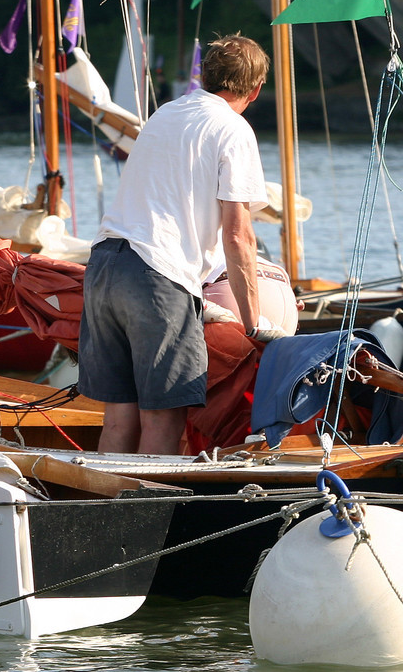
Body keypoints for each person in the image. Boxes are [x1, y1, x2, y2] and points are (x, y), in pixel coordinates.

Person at [78, 33, 279, 456]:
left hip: (105, 264)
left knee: (120, 415)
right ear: (256, 90)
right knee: (163, 416)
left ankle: (103, 512)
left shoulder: (165, 113)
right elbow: (238, 235)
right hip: (156, 276)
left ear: (204, 76)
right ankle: (148, 513)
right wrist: (253, 323)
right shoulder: (233, 129)